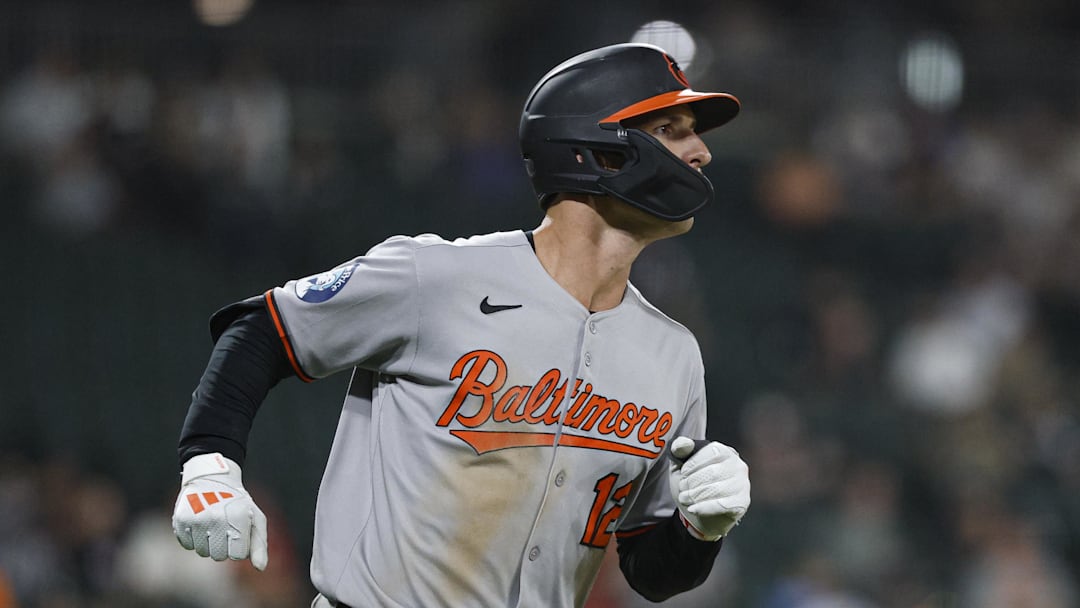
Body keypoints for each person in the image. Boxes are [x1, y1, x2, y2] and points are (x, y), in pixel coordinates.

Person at [171, 42, 751, 608]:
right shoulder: (438, 277)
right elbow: (262, 331)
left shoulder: (674, 355)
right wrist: (209, 464)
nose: (700, 152)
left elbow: (650, 572)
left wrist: (699, 531)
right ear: (597, 149)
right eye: (670, 129)